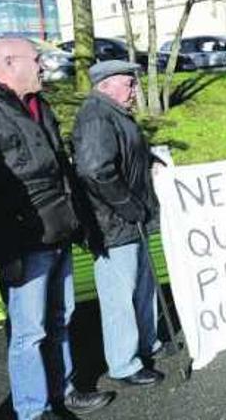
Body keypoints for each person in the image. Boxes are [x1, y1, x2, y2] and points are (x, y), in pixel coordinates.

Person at [0, 38, 115, 420]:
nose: (43, 66)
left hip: (59, 233)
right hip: (24, 245)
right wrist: (3, 253)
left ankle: (64, 392)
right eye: (36, 60)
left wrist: (81, 223)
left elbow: (63, 172)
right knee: (29, 333)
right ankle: (33, 411)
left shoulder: (41, 105)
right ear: (8, 63)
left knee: (60, 319)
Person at [72, 60, 165, 388]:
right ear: (105, 85)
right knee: (119, 297)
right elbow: (95, 169)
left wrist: (153, 161)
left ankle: (146, 343)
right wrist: (128, 205)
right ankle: (124, 363)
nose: (134, 90)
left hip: (130, 218)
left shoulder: (113, 114)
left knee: (142, 286)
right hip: (113, 223)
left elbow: (128, 156)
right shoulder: (97, 115)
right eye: (129, 83)